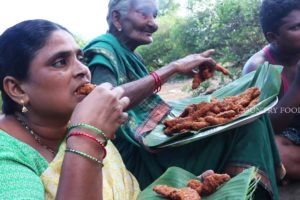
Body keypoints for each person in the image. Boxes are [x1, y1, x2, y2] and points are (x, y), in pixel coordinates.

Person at [83, 0, 285, 199]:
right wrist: (172, 68)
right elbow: (105, 100)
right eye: (144, 13)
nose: (153, 23)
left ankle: (254, 187)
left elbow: (144, 95)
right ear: (117, 17)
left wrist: (184, 70)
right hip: (138, 159)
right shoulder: (103, 50)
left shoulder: (131, 55)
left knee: (250, 114)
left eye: (154, 15)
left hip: (158, 144)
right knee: (249, 127)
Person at [0, 19, 141, 199]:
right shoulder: (6, 157)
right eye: (60, 62)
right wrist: (87, 136)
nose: (83, 70)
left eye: (80, 58)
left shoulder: (71, 119)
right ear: (17, 89)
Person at [242, 0, 300, 182]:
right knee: (273, 151)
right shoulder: (258, 68)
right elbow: (266, 129)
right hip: (287, 137)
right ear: (272, 37)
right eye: (296, 27)